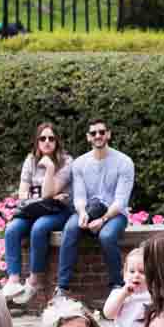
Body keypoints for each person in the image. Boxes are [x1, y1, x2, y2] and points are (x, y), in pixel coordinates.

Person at [55, 118, 136, 300]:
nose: (98, 136)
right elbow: (80, 196)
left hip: (114, 214)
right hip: (89, 209)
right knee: (70, 228)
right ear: (88, 137)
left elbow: (121, 200)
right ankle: (62, 288)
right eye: (94, 133)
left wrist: (103, 219)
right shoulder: (80, 164)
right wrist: (83, 213)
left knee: (106, 236)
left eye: (101, 132)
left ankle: (117, 286)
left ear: (108, 134)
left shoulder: (124, 162)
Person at [3, 122, 74, 305]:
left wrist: (50, 169)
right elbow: (22, 192)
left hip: (58, 211)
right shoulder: (30, 160)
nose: (47, 142)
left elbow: (47, 193)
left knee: (39, 228)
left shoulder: (66, 161)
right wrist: (43, 196)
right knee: (12, 229)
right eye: (43, 138)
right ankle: (13, 280)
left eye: (51, 138)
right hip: (33, 211)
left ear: (57, 141)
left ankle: (34, 281)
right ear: (37, 141)